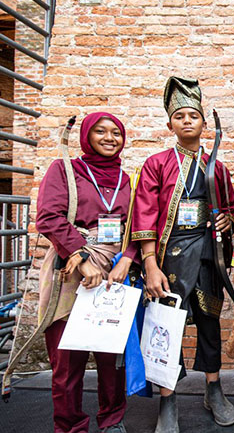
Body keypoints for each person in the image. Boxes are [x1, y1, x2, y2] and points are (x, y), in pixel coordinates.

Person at [131, 77, 234, 433]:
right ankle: (168, 398)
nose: (188, 121)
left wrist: (226, 217)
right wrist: (149, 264)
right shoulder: (156, 164)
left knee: (209, 323)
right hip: (169, 258)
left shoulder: (216, 167)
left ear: (204, 125)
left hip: (207, 256)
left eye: (194, 115)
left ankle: (213, 388)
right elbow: (144, 213)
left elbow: (229, 207)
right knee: (168, 328)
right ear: (170, 124)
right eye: (180, 117)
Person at [36, 112, 137, 433]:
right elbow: (49, 217)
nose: (110, 138)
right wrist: (82, 259)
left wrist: (128, 259)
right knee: (67, 360)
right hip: (69, 270)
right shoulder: (65, 170)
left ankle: (112, 419)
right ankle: (70, 426)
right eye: (100, 131)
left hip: (113, 273)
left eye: (116, 133)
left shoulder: (126, 178)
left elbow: (136, 225)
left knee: (112, 357)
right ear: (86, 137)